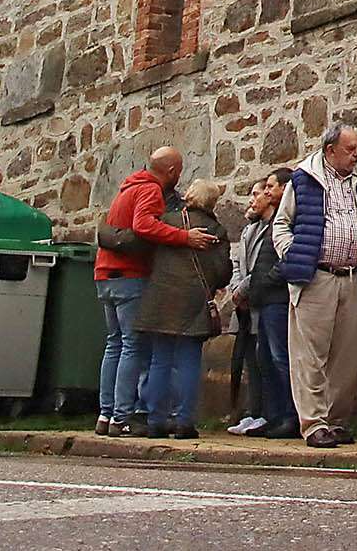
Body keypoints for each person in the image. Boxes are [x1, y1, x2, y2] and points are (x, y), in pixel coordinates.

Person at [94, 146, 217, 436]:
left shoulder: (127, 188)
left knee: (114, 344)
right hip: (130, 276)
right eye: (180, 171)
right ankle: (122, 417)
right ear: (172, 171)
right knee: (132, 346)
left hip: (105, 275)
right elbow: (144, 225)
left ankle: (105, 413)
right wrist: (184, 237)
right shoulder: (150, 190)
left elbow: (116, 227)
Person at [275, 123, 357, 448]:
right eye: (350, 149)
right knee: (311, 355)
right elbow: (281, 224)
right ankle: (313, 423)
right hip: (316, 276)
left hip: (354, 276)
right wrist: (293, 254)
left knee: (346, 356)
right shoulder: (304, 178)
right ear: (330, 151)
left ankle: (335, 422)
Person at [134, 178, 231, 438]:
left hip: (161, 298)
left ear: (189, 195)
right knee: (189, 360)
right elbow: (223, 273)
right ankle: (184, 421)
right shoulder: (216, 230)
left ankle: (155, 420)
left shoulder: (166, 221)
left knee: (160, 360)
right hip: (194, 300)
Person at [228, 168, 298, 439]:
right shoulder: (269, 223)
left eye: (271, 187)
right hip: (264, 298)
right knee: (265, 359)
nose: (267, 192)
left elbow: (286, 258)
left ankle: (289, 416)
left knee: (281, 359)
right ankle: (274, 415)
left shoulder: (289, 220)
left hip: (277, 297)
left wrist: (266, 280)